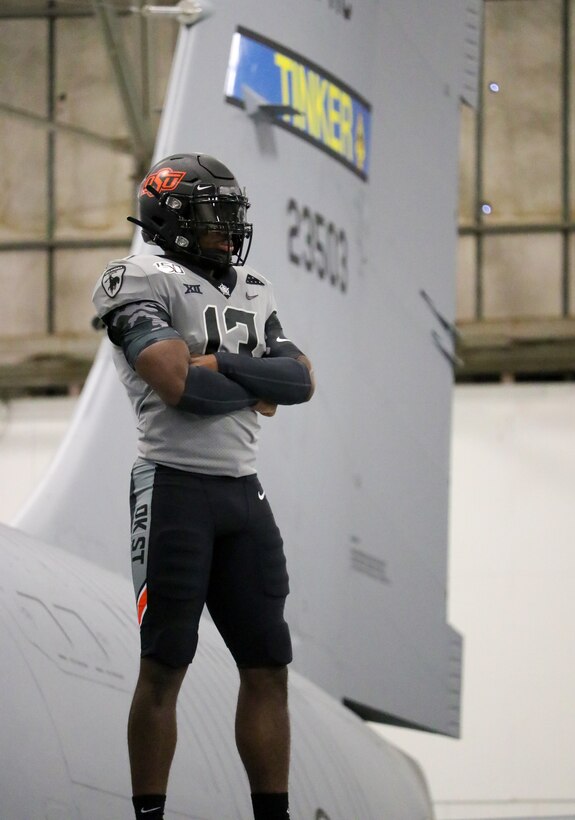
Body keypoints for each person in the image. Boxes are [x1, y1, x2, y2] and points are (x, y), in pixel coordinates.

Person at [92, 153, 314, 820]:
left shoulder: (255, 286)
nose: (227, 231)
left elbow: (299, 381)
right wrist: (250, 380)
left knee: (269, 663)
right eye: (212, 218)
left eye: (230, 218)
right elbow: (178, 385)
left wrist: (217, 362)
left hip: (242, 494)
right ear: (172, 218)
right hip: (173, 488)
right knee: (165, 664)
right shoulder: (136, 277)